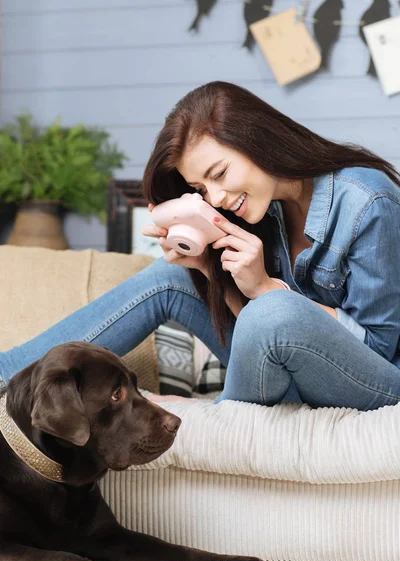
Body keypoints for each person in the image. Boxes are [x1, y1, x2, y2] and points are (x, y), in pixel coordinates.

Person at [1, 80, 400, 411]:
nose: (217, 197)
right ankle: (12, 378)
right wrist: (209, 269)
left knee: (275, 309)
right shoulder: (262, 213)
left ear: (258, 139)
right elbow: (259, 338)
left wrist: (265, 289)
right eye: (201, 189)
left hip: (372, 385)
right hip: (290, 373)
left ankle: (227, 427)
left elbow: (379, 349)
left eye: (220, 173)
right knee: (173, 275)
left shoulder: (368, 202)